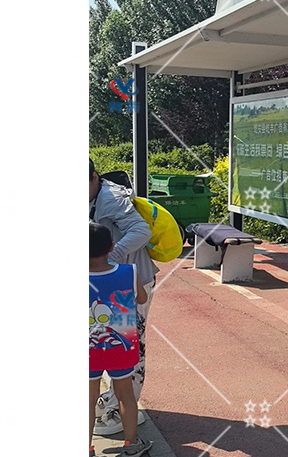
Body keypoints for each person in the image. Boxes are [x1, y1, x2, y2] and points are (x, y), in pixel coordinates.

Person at [90, 159, 158, 434]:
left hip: (129, 281)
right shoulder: (92, 196)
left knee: (130, 345)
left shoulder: (112, 198)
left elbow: (141, 231)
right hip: (107, 281)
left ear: (94, 177)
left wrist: (109, 259)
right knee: (104, 341)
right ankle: (113, 399)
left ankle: (123, 409)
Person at [90, 222, 153, 457]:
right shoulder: (129, 272)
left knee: (88, 397)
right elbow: (142, 298)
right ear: (112, 247)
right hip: (121, 346)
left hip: (89, 349)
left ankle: (87, 448)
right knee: (125, 394)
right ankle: (131, 445)